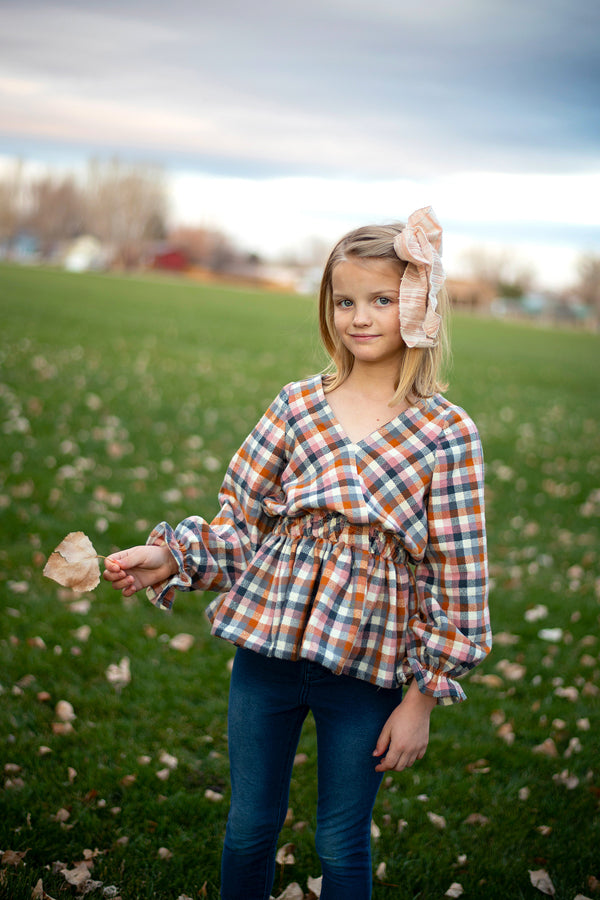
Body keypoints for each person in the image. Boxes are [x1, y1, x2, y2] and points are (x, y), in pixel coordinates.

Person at [103, 206, 491, 900]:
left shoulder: (446, 433)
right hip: (266, 662)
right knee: (249, 826)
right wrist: (170, 557)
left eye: (381, 299)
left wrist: (422, 699)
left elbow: (458, 578)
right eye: (344, 300)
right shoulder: (296, 406)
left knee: (341, 841)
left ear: (423, 307)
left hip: (365, 677)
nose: (359, 317)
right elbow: (242, 527)